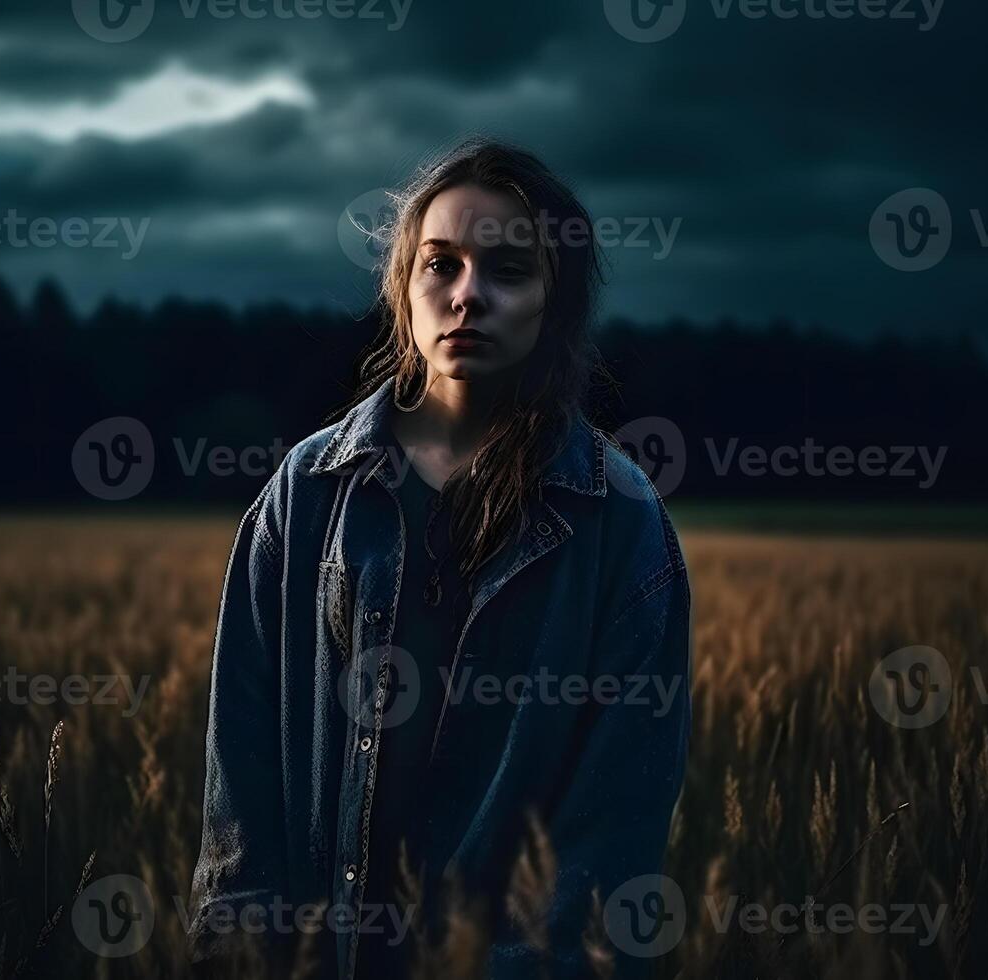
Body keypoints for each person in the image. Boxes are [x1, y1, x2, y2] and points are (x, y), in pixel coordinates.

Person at [187, 136, 692, 979]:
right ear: (404, 290)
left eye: (508, 270)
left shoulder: (622, 522)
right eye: (440, 265)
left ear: (554, 301)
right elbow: (240, 779)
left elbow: (614, 832)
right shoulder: (309, 492)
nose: (468, 296)